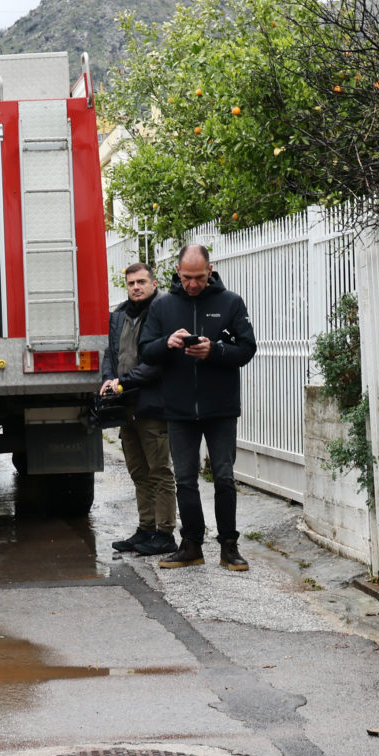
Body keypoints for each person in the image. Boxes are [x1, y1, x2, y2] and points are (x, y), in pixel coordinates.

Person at [138, 243, 258, 571]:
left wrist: (215, 350)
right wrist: (167, 343)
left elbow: (247, 348)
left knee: (223, 477)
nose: (193, 284)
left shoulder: (230, 302)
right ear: (177, 272)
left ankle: (229, 547)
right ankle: (191, 545)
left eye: (200, 277)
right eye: (187, 277)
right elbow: (146, 351)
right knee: (185, 479)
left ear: (211, 270)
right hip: (178, 409)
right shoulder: (162, 307)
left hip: (220, 408)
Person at [99, 262, 176, 557]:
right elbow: (111, 352)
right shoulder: (119, 315)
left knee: (159, 471)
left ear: (153, 284)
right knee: (138, 471)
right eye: (131, 283)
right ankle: (146, 529)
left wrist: (124, 381)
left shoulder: (162, 313)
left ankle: (165, 533)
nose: (135, 287)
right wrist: (109, 379)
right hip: (125, 403)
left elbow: (158, 364)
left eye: (141, 282)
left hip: (153, 403)